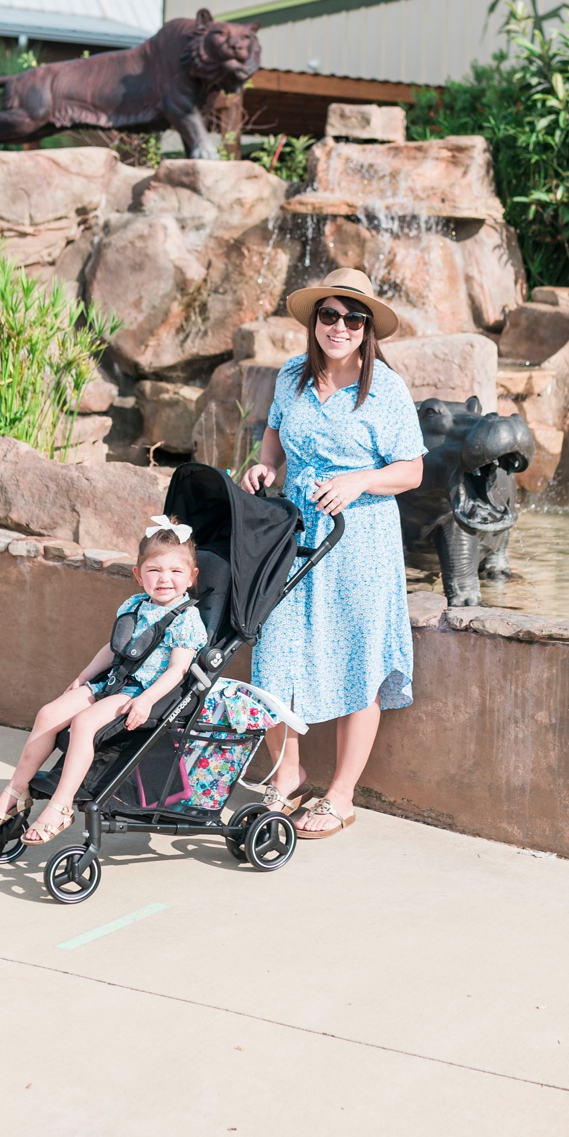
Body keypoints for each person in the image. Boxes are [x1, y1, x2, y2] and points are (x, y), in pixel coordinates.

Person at [241, 267, 425, 840]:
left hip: (359, 541)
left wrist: (360, 481)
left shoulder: (386, 390)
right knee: (273, 654)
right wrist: (265, 466)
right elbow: (274, 435)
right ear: (314, 319)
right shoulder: (292, 375)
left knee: (357, 661)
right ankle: (288, 776)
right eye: (329, 314)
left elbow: (413, 471)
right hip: (293, 534)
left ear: (367, 328)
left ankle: (341, 796)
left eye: (353, 317)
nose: (339, 326)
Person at [0, 518, 209, 847]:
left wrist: (145, 700)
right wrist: (84, 677)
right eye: (154, 570)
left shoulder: (188, 619)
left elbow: (177, 671)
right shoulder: (134, 605)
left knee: (85, 723)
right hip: (112, 682)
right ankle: (16, 790)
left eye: (175, 571)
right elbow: (112, 648)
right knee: (48, 713)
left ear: (191, 577)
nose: (164, 579)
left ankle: (60, 806)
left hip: (142, 693)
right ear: (138, 574)